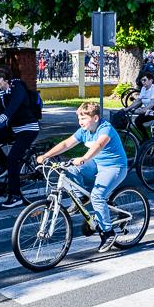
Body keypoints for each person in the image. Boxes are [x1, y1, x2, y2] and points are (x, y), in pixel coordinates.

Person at [36, 103, 127, 251]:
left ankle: (108, 233)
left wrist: (84, 158)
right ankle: (81, 197)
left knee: (97, 196)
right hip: (96, 163)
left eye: (83, 118)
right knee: (71, 168)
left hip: (114, 167)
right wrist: (46, 155)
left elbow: (99, 145)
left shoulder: (105, 129)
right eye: (79, 118)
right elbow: (66, 144)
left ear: (95, 118)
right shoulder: (84, 131)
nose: (80, 122)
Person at [0, 66, 40, 208]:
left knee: (13, 159)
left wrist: (0, 119)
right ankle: (5, 166)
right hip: (13, 129)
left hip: (28, 129)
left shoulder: (17, 87)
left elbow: (13, 106)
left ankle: (16, 196)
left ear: (6, 79)